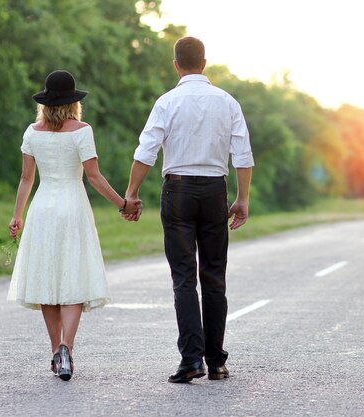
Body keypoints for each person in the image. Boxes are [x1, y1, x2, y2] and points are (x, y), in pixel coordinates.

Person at [124, 36, 254, 383]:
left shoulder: (167, 102)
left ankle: (191, 360)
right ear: (205, 63)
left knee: (184, 277)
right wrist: (242, 199)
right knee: (214, 276)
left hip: (178, 191)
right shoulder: (227, 102)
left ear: (176, 64)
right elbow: (242, 154)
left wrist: (131, 194)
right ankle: (217, 362)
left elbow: (146, 151)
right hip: (215, 190)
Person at [7, 70, 141, 381]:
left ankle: (57, 351)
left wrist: (17, 215)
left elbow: (26, 179)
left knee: (46, 280)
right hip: (73, 206)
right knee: (72, 277)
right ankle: (67, 345)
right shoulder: (82, 131)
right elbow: (94, 177)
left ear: (45, 102)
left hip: (42, 208)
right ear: (73, 102)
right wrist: (123, 203)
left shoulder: (32, 132)